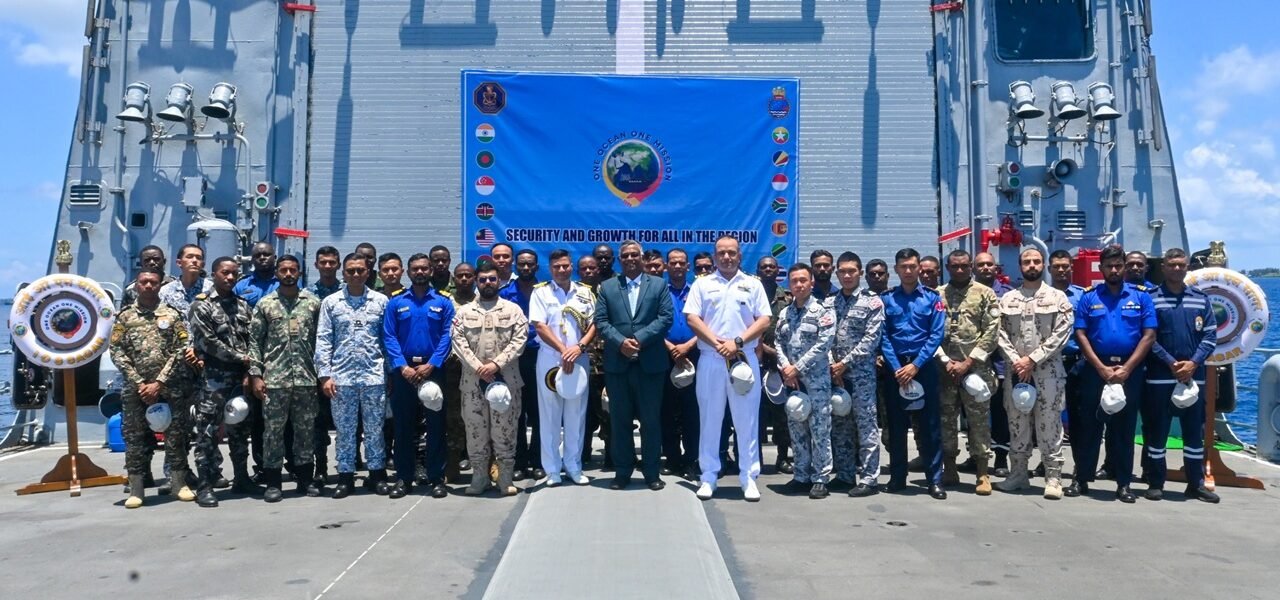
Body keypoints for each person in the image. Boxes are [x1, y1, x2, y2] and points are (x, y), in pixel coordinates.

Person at [685, 236, 772, 501]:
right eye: (721, 253)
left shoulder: (752, 284)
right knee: (710, 419)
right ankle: (709, 476)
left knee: (747, 420)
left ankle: (749, 477)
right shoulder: (702, 284)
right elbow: (692, 318)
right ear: (714, 257)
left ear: (739, 256)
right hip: (711, 358)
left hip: (743, 358)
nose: (726, 257)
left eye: (731, 253)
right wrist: (718, 344)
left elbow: (764, 320)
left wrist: (737, 342)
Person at [1070, 245, 1156, 502]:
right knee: (1089, 427)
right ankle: (1081, 478)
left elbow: (1149, 335)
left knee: (1124, 429)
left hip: (1130, 371)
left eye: (1119, 265)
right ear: (1101, 268)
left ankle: (1123, 483)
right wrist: (1100, 367)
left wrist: (1127, 368)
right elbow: (1080, 334)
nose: (1115, 270)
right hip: (1095, 369)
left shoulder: (1141, 297)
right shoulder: (1089, 297)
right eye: (1109, 266)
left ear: (1124, 267)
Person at [110, 269, 194, 507]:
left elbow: (182, 347)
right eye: (144, 282)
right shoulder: (125, 317)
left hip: (168, 385)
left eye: (153, 282)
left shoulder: (172, 314)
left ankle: (179, 483)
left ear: (160, 286)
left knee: (176, 435)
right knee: (134, 437)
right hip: (135, 388)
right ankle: (136, 489)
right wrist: (139, 382)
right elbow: (116, 350)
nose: (148, 286)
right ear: (137, 285)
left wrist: (160, 381)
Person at [595, 241, 675, 490]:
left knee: (651, 421)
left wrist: (639, 339)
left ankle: (651, 473)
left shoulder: (659, 285)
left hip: (650, 364)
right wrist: (620, 343)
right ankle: (622, 472)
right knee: (620, 421)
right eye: (625, 255)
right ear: (620, 260)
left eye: (634, 255)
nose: (630, 258)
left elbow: (666, 318)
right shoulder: (608, 287)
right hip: (618, 365)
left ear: (642, 258)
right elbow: (600, 321)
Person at [1142, 249, 1220, 503]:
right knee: (1157, 431)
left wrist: (1193, 363)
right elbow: (1148, 338)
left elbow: (1210, 335)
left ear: (1187, 267)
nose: (1177, 269)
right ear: (1163, 267)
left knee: (1194, 433)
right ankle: (1155, 482)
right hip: (1160, 377)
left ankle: (1196, 484)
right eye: (1172, 264)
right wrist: (1171, 363)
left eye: (1181, 265)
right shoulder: (1151, 299)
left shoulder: (1201, 299)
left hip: (1193, 377)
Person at [995, 247, 1074, 498]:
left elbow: (1062, 333)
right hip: (1017, 373)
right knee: (1017, 424)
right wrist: (1018, 361)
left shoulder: (1058, 298)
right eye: (1027, 261)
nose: (1032, 265)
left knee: (1049, 424)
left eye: (1036, 261)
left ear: (1043, 265)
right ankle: (1018, 474)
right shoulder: (1008, 300)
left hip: (1047, 373)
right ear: (1020, 266)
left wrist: (1032, 359)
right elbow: (998, 333)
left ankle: (1053, 478)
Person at [249, 255, 323, 502]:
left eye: (293, 270)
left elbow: (322, 341)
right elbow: (255, 342)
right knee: (273, 433)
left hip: (306, 379)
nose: (288, 274)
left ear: (299, 272)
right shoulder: (266, 304)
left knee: (305, 431)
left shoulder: (312, 303)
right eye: (284, 270)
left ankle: (305, 479)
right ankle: (273, 482)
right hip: (274, 380)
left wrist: (322, 374)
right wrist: (256, 375)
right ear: (277, 273)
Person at [315, 253, 390, 499]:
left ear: (368, 272)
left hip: (374, 376)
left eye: (360, 270)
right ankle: (345, 477)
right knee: (345, 431)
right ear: (343, 273)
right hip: (342, 378)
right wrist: (325, 375)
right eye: (350, 271)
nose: (356, 274)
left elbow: (387, 340)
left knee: (375, 429)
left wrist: (390, 373)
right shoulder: (331, 303)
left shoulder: (381, 301)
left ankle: (377, 475)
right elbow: (324, 339)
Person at [452, 262, 529, 496]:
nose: (487, 283)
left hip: (506, 381)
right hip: (473, 383)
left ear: (498, 281)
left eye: (492, 279)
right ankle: (480, 478)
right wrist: (479, 367)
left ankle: (505, 478)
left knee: (505, 431)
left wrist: (496, 364)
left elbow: (520, 340)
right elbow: (458, 342)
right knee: (476, 432)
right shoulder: (463, 312)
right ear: (477, 281)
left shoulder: (513, 310)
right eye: (483, 279)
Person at [383, 253, 455, 499]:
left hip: (433, 372)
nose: (420, 272)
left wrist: (432, 364)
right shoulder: (396, 302)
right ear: (408, 272)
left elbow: (448, 335)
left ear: (431, 271)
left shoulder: (444, 302)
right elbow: (389, 336)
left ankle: (436, 478)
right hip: (404, 373)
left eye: (424, 268)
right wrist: (401, 366)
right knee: (403, 427)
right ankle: (404, 478)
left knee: (436, 426)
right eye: (415, 269)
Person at [880, 248, 947, 500]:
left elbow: (936, 334)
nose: (908, 271)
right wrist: (897, 367)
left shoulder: (932, 298)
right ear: (896, 269)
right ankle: (898, 477)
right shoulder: (887, 299)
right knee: (896, 426)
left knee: (930, 426)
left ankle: (934, 480)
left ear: (919, 268)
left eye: (912, 266)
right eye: (903, 267)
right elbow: (883, 335)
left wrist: (916, 365)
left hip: (923, 367)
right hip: (896, 369)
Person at [189, 257, 254, 508]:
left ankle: (241, 478)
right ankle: (204, 485)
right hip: (213, 380)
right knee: (207, 433)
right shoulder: (202, 306)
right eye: (225, 273)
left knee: (240, 429)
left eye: (234, 273)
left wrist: (250, 368)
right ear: (214, 274)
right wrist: (241, 358)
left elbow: (252, 339)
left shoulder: (243, 306)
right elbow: (207, 342)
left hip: (240, 378)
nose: (230, 277)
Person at [530, 250, 598, 486]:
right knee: (550, 414)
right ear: (550, 269)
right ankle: (552, 470)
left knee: (576, 414)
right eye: (557, 266)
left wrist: (578, 348)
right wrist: (563, 350)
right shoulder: (541, 292)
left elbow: (594, 324)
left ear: (572, 267)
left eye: (565, 266)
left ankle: (573, 465)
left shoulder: (585, 293)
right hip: (551, 359)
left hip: (579, 357)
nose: (562, 270)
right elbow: (540, 326)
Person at [935, 250, 1000, 495]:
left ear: (971, 266)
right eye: (955, 266)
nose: (960, 270)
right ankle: (949, 467)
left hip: (976, 369)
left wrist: (968, 362)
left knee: (978, 422)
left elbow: (992, 332)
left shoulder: (985, 294)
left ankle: (982, 472)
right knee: (946, 420)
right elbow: (930, 332)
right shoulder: (937, 295)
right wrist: (945, 361)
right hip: (945, 370)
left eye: (964, 266)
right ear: (948, 268)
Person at [775, 263, 836, 499]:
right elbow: (778, 343)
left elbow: (824, 344)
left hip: (816, 381)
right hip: (793, 382)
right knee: (797, 428)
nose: (799, 285)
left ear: (811, 282)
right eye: (794, 281)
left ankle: (820, 478)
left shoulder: (823, 311)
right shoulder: (785, 313)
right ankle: (801, 475)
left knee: (820, 430)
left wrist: (797, 368)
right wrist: (785, 368)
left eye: (803, 280)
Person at [829, 252, 884, 497]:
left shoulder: (872, 302)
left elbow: (871, 340)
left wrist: (845, 363)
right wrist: (833, 365)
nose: (847, 275)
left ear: (860, 273)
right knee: (841, 425)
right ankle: (844, 475)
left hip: (861, 376)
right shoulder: (830, 303)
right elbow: (824, 337)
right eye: (842, 271)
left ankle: (870, 479)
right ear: (837, 273)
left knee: (866, 426)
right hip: (837, 376)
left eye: (852, 271)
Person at [501, 249, 545, 481]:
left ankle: (538, 461)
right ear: (516, 267)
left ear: (537, 266)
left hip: (541, 357)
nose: (526, 268)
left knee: (539, 412)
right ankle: (519, 461)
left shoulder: (546, 291)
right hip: (513, 358)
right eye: (522, 264)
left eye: (530, 264)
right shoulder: (505, 293)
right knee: (515, 412)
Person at [974, 251, 1015, 476]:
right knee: (974, 412)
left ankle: (1000, 458)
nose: (985, 268)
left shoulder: (1008, 295)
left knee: (1000, 412)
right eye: (981, 265)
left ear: (996, 268)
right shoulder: (967, 292)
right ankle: (975, 455)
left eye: (989, 264)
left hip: (999, 363)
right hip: (973, 363)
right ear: (974, 268)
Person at [305, 246, 342, 485]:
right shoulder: (307, 295)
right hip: (315, 367)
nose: (327, 266)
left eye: (332, 262)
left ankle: (349, 464)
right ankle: (320, 467)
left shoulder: (347, 291)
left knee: (347, 421)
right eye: (323, 262)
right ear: (316, 265)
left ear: (338, 265)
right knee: (317, 421)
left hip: (345, 365)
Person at [662, 248, 700, 479]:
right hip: (664, 354)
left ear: (688, 267)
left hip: (694, 353)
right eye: (673, 262)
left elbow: (708, 323)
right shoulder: (658, 292)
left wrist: (688, 346)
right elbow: (651, 322)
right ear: (666, 266)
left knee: (691, 410)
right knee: (667, 410)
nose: (677, 266)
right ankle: (672, 459)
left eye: (681, 263)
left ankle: (691, 460)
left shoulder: (698, 291)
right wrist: (670, 347)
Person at [755, 255, 792, 474]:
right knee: (754, 414)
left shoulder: (787, 298)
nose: (768, 270)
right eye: (764, 267)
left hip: (779, 364)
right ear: (757, 271)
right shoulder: (750, 295)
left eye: (772, 267)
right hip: (752, 362)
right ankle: (755, 458)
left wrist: (775, 353)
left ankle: (782, 457)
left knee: (782, 415)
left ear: (778, 271)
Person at [443, 262, 475, 481]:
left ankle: (482, 462)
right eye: (460, 276)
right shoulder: (446, 302)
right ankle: (453, 463)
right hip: (453, 368)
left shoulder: (484, 301)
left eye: (468, 275)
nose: (464, 279)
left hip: (478, 368)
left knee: (479, 415)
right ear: (453, 279)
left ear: (474, 278)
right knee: (453, 416)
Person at [235, 242, 280, 308]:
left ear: (275, 258)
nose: (262, 258)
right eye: (257, 255)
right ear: (252, 260)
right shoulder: (241, 285)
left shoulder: (284, 283)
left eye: (266, 254)